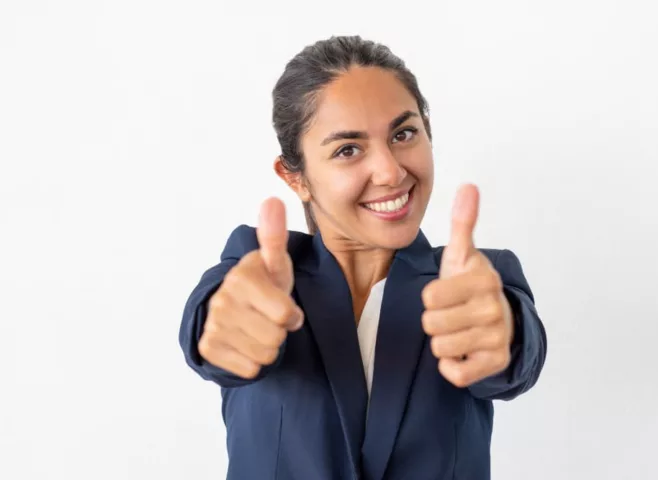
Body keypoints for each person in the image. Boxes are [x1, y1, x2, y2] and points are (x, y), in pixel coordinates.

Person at [179, 35, 547, 480]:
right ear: (296, 178)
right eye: (347, 149)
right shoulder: (257, 272)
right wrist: (218, 327)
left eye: (404, 133)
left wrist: (504, 333)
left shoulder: (474, 284)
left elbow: (517, 352)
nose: (391, 171)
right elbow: (211, 323)